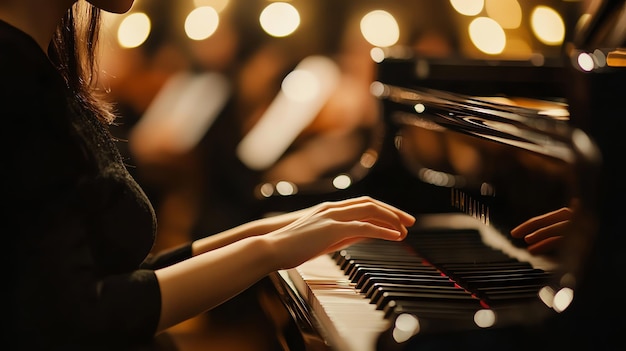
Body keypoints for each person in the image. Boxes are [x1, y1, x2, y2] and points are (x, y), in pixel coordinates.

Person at [1, 0, 416, 349]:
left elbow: (110, 272)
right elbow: (77, 318)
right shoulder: (14, 78)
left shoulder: (34, 65)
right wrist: (268, 253)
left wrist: (264, 233)